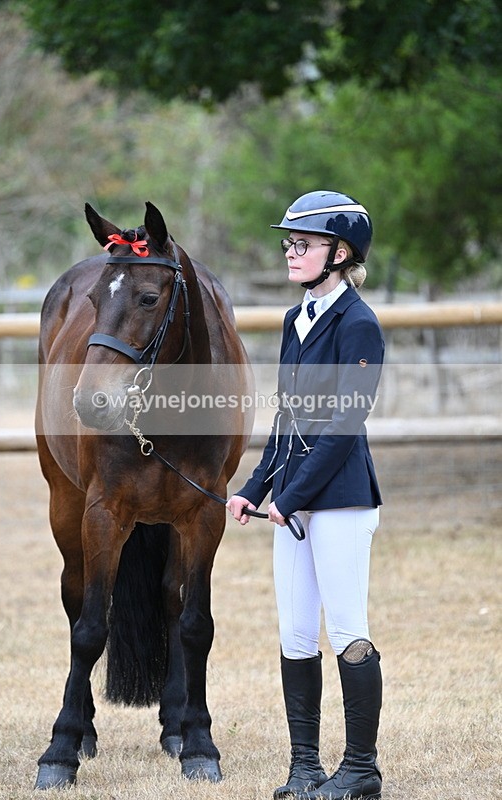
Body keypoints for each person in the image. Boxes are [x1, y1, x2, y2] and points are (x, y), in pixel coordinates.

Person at [227, 190, 385, 800]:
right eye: (288, 243)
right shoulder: (298, 319)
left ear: (340, 253)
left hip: (342, 501)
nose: (291, 252)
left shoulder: (360, 324)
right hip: (296, 502)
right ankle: (304, 767)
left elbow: (344, 429)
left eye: (305, 244)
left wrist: (289, 499)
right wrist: (254, 488)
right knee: (295, 632)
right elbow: (287, 422)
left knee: (347, 630)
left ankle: (361, 769)